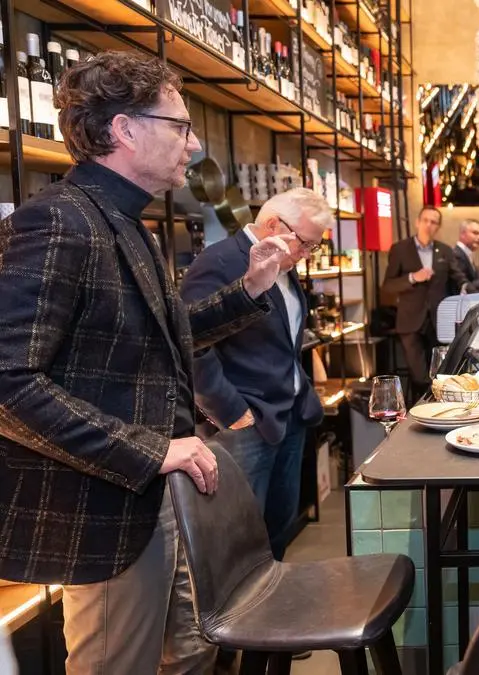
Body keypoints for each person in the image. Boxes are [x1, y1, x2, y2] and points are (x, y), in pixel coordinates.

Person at [0, 51, 293, 674]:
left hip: (149, 497)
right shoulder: (58, 221)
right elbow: (8, 383)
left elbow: (164, 335)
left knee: (182, 653)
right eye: (180, 126)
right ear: (125, 130)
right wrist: (153, 450)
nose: (194, 145)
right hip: (103, 510)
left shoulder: (127, 223)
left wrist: (250, 291)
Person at [182, 188, 332, 561]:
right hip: (247, 423)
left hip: (290, 415)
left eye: (313, 247)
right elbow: (190, 343)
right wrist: (232, 412)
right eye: (304, 243)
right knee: (240, 539)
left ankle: (273, 596)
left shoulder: (285, 266)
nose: (306, 254)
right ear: (272, 225)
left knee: (277, 529)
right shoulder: (218, 262)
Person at [382, 206, 468, 402]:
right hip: (410, 321)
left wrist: (467, 288)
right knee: (419, 375)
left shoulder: (444, 250)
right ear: (417, 222)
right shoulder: (400, 249)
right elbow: (388, 286)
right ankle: (419, 412)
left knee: (440, 373)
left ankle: (439, 409)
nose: (429, 225)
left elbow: (458, 277)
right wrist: (413, 277)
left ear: (438, 227)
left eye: (434, 222)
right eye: (426, 220)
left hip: (438, 322)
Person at [454, 218, 479, 292]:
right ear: (462, 234)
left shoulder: (468, 254)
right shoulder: (456, 255)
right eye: (475, 233)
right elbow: (462, 285)